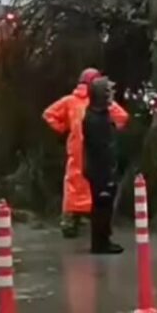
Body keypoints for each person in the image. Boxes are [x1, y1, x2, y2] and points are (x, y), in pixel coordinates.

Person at [43, 69, 128, 237]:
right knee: (97, 185)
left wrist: (64, 129)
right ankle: (96, 223)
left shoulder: (69, 101)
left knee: (74, 184)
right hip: (97, 151)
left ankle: (70, 221)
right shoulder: (101, 103)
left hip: (76, 150)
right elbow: (122, 118)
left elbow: (49, 114)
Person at [82, 77, 123, 254]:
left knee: (104, 205)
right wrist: (107, 173)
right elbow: (101, 148)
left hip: (103, 168)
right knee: (101, 206)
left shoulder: (100, 115)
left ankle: (103, 239)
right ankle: (100, 243)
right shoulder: (95, 119)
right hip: (100, 170)